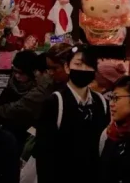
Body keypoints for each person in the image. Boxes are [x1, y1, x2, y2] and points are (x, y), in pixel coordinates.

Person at [34, 44, 109, 183]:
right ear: (67, 67)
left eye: (89, 65)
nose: (84, 69)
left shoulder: (101, 102)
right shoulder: (55, 102)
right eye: (78, 64)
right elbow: (44, 155)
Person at [0, 50, 56, 148]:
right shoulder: (12, 83)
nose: (17, 76)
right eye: (15, 71)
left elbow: (18, 107)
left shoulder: (38, 91)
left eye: (21, 73)